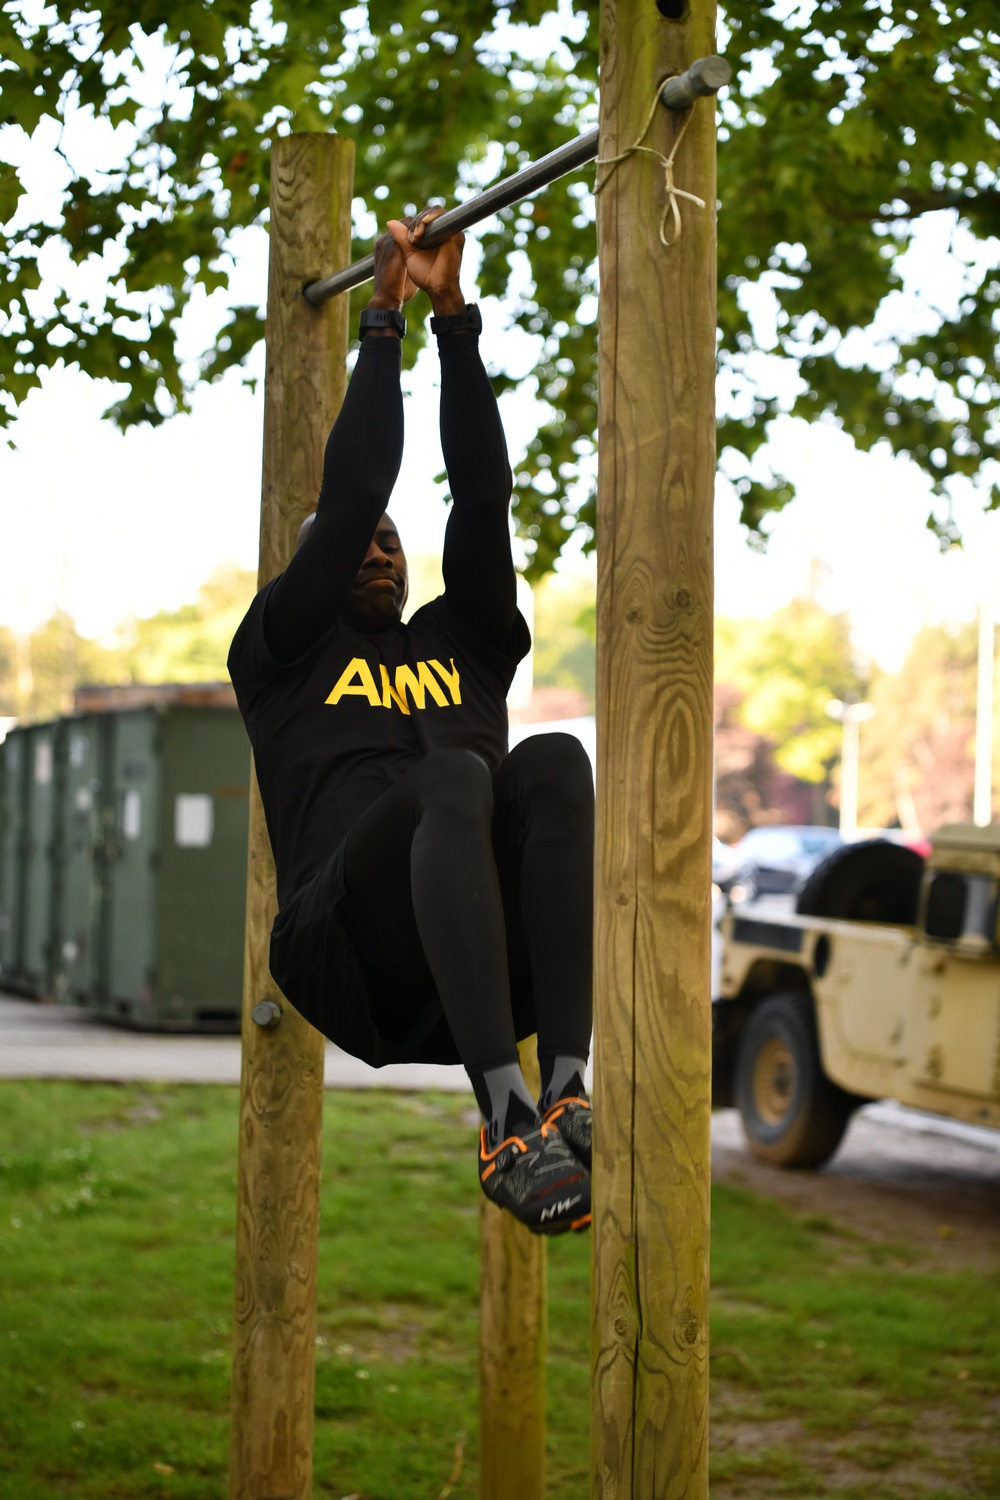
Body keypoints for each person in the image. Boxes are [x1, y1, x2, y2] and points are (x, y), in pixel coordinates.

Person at [228, 209, 594, 1236]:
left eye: (391, 544)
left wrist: (455, 317)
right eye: (356, 546)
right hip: (345, 951)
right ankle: (503, 1115)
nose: (379, 551)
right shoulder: (284, 650)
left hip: (478, 958)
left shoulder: (461, 641)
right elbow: (350, 496)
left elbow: (483, 497)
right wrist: (380, 316)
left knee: (555, 757)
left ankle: (564, 1085)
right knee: (452, 778)